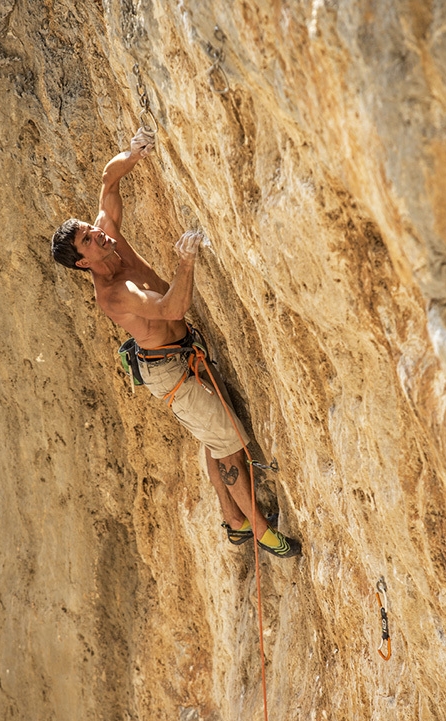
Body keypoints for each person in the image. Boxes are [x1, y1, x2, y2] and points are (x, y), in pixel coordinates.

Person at [51, 128, 300, 558]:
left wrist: (131, 154)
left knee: (213, 436)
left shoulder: (109, 237)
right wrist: (186, 262)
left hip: (176, 358)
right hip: (171, 373)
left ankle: (235, 523)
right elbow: (170, 310)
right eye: (87, 241)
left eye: (91, 229)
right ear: (82, 262)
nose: (98, 234)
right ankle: (263, 533)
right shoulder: (113, 291)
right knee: (231, 448)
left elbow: (109, 182)